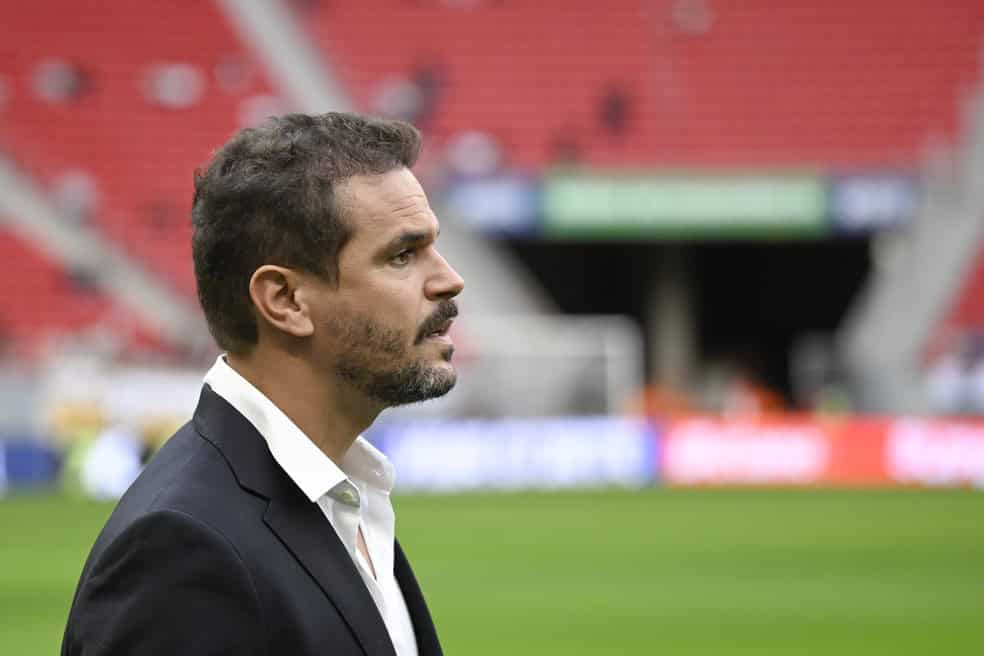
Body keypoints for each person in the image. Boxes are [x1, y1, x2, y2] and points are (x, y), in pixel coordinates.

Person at [61, 113, 465, 656]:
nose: (448, 278)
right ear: (285, 301)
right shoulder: (183, 550)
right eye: (401, 255)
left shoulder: (346, 495)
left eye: (432, 247)